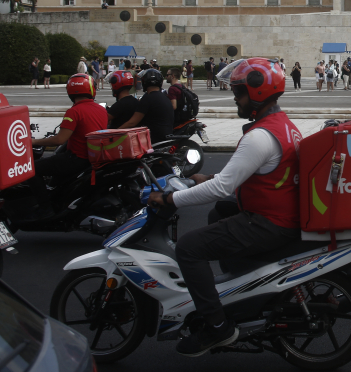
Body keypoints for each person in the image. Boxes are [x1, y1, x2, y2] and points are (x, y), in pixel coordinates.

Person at [146, 58, 302, 356]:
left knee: (189, 248)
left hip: (269, 222)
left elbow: (222, 188)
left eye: (239, 92)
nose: (234, 98)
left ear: (257, 93)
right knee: (219, 213)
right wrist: (211, 175)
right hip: (280, 214)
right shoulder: (283, 125)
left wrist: (168, 199)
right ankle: (240, 291)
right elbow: (257, 172)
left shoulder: (259, 136)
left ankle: (218, 328)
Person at [31, 74, 107, 181]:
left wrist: (33, 142)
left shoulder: (74, 112)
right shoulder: (102, 109)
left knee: (31, 169)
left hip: (76, 159)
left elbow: (59, 140)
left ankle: (43, 198)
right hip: (93, 159)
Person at [118, 68, 175, 144]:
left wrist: (116, 131)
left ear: (145, 82)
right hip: (166, 135)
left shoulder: (148, 98)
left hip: (154, 139)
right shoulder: (164, 97)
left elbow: (132, 123)